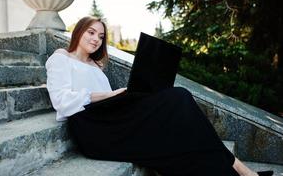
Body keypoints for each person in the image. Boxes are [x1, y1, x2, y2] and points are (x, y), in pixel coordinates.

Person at [45, 16, 273, 176]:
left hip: (109, 119)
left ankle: (234, 170)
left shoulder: (97, 66)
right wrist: (111, 94)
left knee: (177, 108)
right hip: (92, 129)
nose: (96, 39)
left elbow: (109, 100)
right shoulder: (61, 58)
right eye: (91, 32)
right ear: (79, 31)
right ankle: (242, 170)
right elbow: (62, 100)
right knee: (178, 97)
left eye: (101, 36)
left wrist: (128, 94)